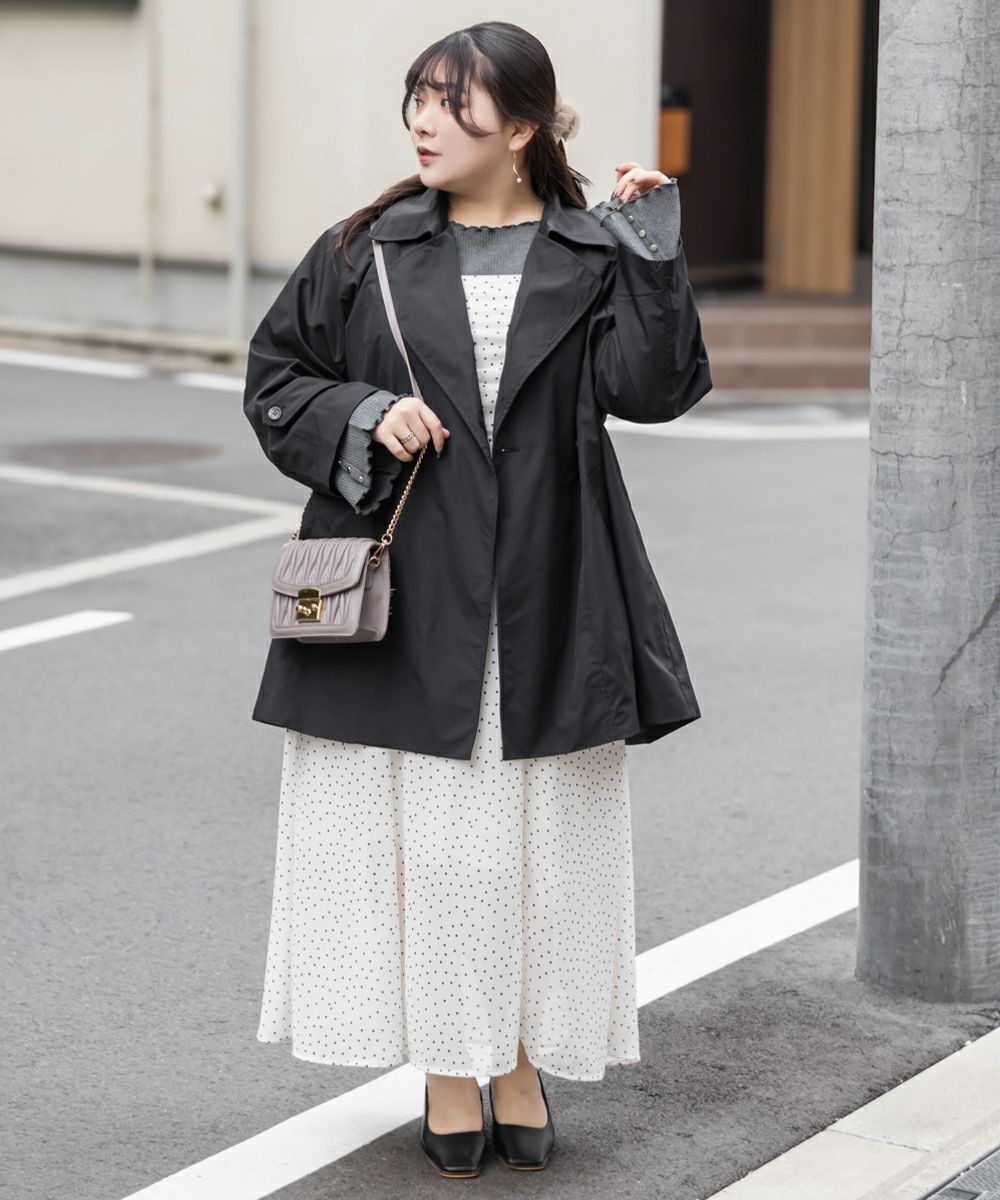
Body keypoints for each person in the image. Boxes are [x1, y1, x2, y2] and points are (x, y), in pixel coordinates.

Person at [243, 20, 712, 1179]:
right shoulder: (363, 248)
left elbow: (652, 390)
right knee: (434, 852)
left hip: (552, 588)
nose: (422, 121)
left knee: (539, 851)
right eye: (417, 98)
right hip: (410, 590)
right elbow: (277, 380)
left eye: (451, 103)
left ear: (521, 126)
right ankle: (453, 1069)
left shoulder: (591, 250)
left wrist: (653, 255)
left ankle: (519, 1056)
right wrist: (364, 414)